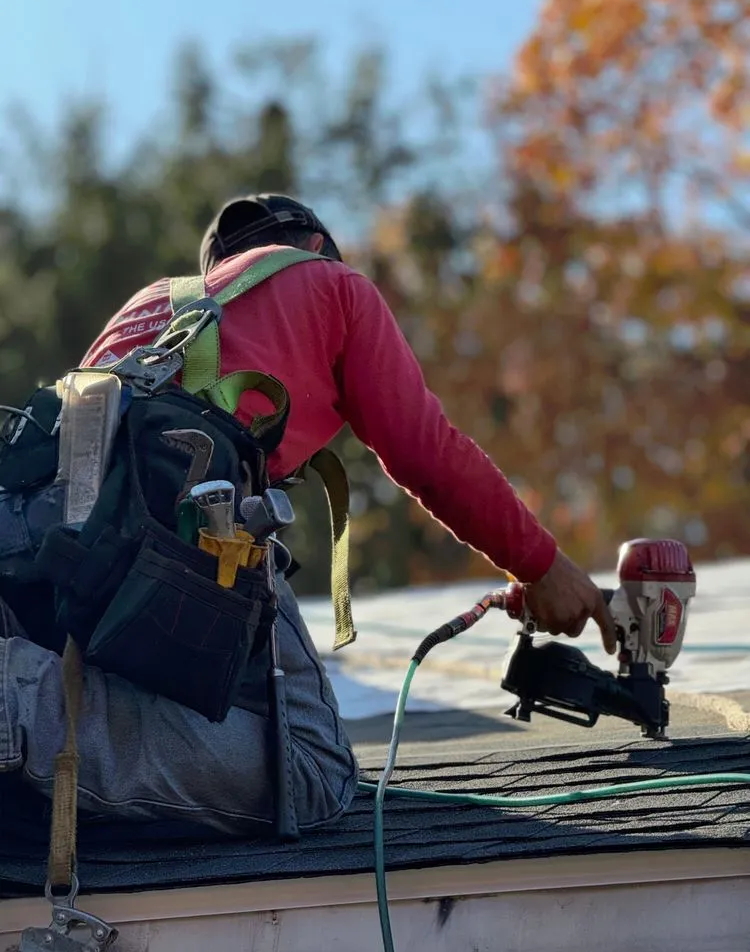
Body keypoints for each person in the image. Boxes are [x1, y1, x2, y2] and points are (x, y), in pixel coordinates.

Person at [0, 193, 615, 836]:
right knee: (313, 771)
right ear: (315, 248)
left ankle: (28, 726)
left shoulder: (149, 307)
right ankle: (15, 703)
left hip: (52, 546)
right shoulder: (332, 285)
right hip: (185, 530)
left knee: (162, 710)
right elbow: (427, 451)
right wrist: (543, 567)